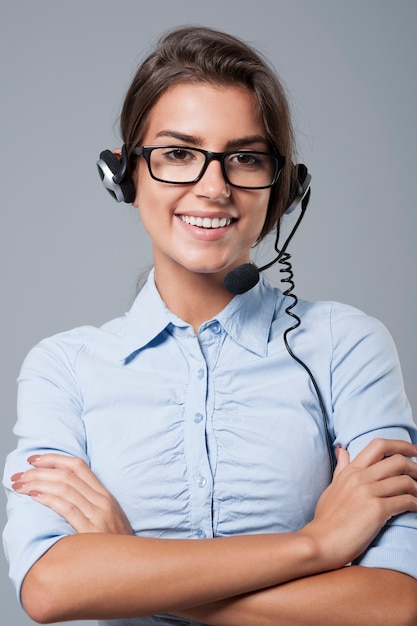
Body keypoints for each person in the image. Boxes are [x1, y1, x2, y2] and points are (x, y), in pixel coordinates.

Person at [3, 25, 417, 626]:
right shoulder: (63, 367)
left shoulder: (345, 346)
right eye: (178, 154)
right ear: (125, 174)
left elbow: (394, 604)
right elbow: (50, 590)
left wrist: (129, 569)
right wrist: (319, 546)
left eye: (245, 158)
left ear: (285, 187)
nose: (214, 187)